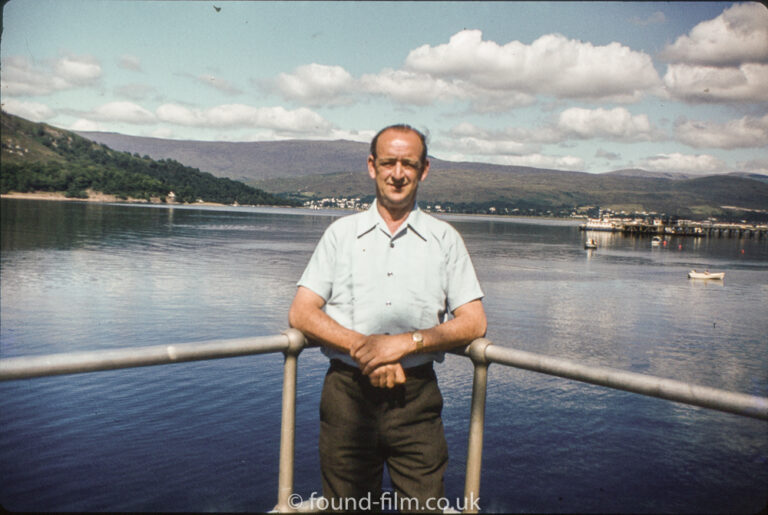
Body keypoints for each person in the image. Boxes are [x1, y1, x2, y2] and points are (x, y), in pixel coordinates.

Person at [288, 124, 487, 511]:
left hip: (416, 400)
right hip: (347, 395)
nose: (398, 173)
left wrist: (405, 343)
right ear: (371, 166)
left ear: (424, 169)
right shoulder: (340, 235)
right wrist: (368, 350)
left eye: (408, 164)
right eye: (388, 162)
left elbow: (474, 322)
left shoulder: (445, 239)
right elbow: (301, 311)